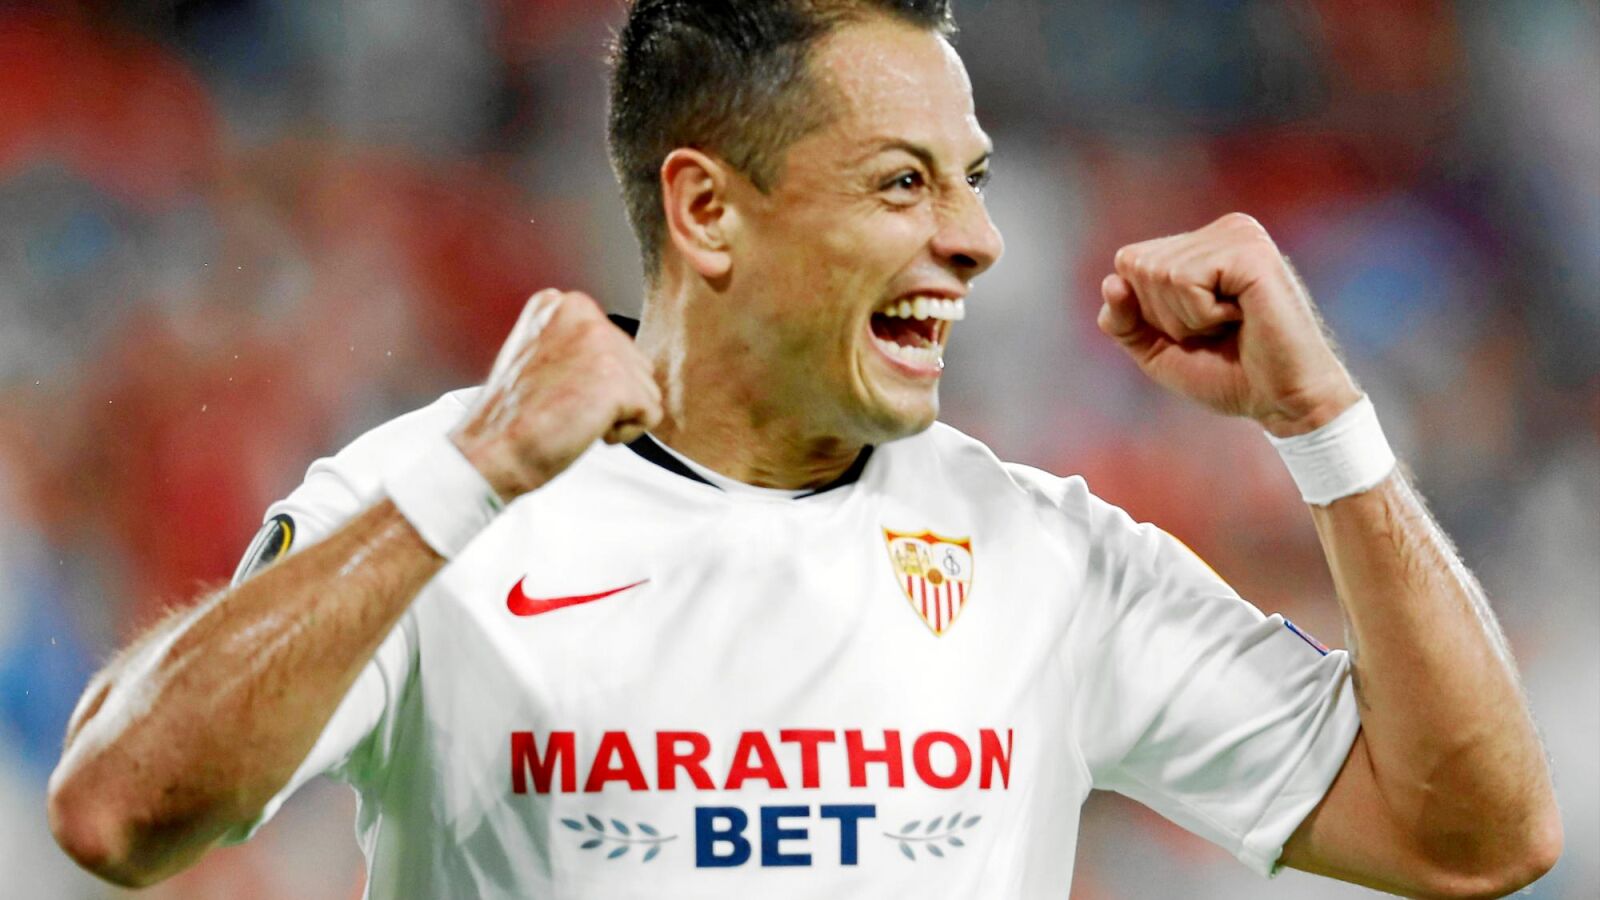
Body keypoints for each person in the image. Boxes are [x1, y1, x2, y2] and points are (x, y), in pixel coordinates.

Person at [47, 1, 1560, 897]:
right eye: (903, 184)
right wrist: (474, 476)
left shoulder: (1046, 556)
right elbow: (119, 813)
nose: (976, 240)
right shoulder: (449, 496)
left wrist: (1327, 431)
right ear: (707, 211)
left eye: (971, 180)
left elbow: (1477, 840)